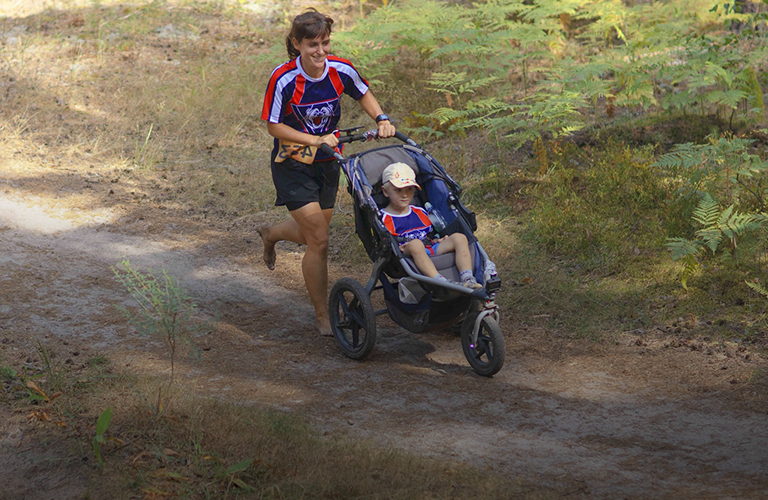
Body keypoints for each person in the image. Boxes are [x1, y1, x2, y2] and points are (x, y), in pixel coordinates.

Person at [257, 9, 396, 336]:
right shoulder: (284, 79)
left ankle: (272, 234)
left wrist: (382, 119)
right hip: (291, 163)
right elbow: (273, 126)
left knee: (312, 234)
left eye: (325, 43)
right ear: (297, 44)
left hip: (329, 162)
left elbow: (363, 93)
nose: (320, 51)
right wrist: (315, 139)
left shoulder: (340, 70)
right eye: (312, 45)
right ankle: (323, 315)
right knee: (319, 239)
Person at [379, 162, 482, 289]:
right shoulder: (384, 218)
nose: (405, 195)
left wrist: (437, 240)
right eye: (398, 190)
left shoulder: (420, 212)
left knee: (459, 238)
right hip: (407, 253)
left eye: (409, 189)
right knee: (416, 244)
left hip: (430, 247)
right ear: (385, 191)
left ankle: (468, 277)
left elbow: (429, 234)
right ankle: (440, 281)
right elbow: (388, 243)